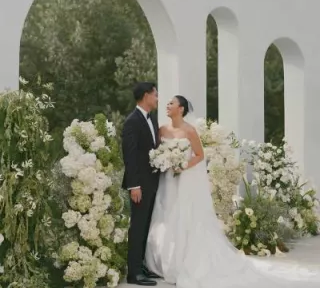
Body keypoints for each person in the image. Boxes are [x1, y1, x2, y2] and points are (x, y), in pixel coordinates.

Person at [145, 95, 320, 288]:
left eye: (171, 103)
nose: (167, 106)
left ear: (181, 109)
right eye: (168, 103)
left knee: (185, 216)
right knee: (167, 215)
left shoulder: (189, 131)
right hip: (167, 180)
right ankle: (164, 261)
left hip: (183, 179)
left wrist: (182, 164)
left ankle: (183, 262)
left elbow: (200, 155)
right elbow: (158, 152)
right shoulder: (162, 130)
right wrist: (164, 161)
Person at [121, 82, 161, 286]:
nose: (157, 98)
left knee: (146, 225)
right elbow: (130, 155)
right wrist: (134, 185)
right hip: (139, 185)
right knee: (137, 227)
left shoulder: (151, 119)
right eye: (155, 95)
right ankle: (134, 273)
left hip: (152, 182)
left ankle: (142, 266)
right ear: (146, 96)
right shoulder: (132, 121)